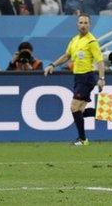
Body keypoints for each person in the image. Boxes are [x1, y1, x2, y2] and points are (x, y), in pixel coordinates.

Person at [44, 14, 106, 146]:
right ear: (77, 25)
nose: (83, 25)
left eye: (86, 23)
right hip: (78, 77)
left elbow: (100, 61)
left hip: (87, 77)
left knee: (74, 108)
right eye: (81, 22)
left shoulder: (92, 41)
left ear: (89, 25)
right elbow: (67, 56)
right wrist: (52, 65)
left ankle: (83, 139)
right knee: (80, 111)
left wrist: (101, 78)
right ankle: (109, 115)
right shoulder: (74, 40)